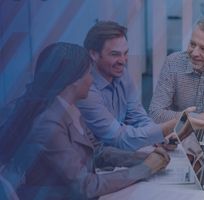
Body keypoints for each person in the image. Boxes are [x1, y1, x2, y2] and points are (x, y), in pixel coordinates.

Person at [0, 43, 170, 199]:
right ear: (73, 81)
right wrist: (144, 169)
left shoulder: (70, 108)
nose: (92, 80)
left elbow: (97, 153)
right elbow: (85, 186)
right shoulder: (47, 124)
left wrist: (141, 158)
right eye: (89, 74)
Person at [77, 21, 176, 151]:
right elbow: (118, 137)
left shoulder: (121, 74)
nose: (123, 61)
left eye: (125, 53)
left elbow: (137, 117)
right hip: (98, 162)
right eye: (115, 54)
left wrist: (161, 138)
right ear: (94, 54)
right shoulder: (86, 91)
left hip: (121, 155)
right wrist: (167, 127)